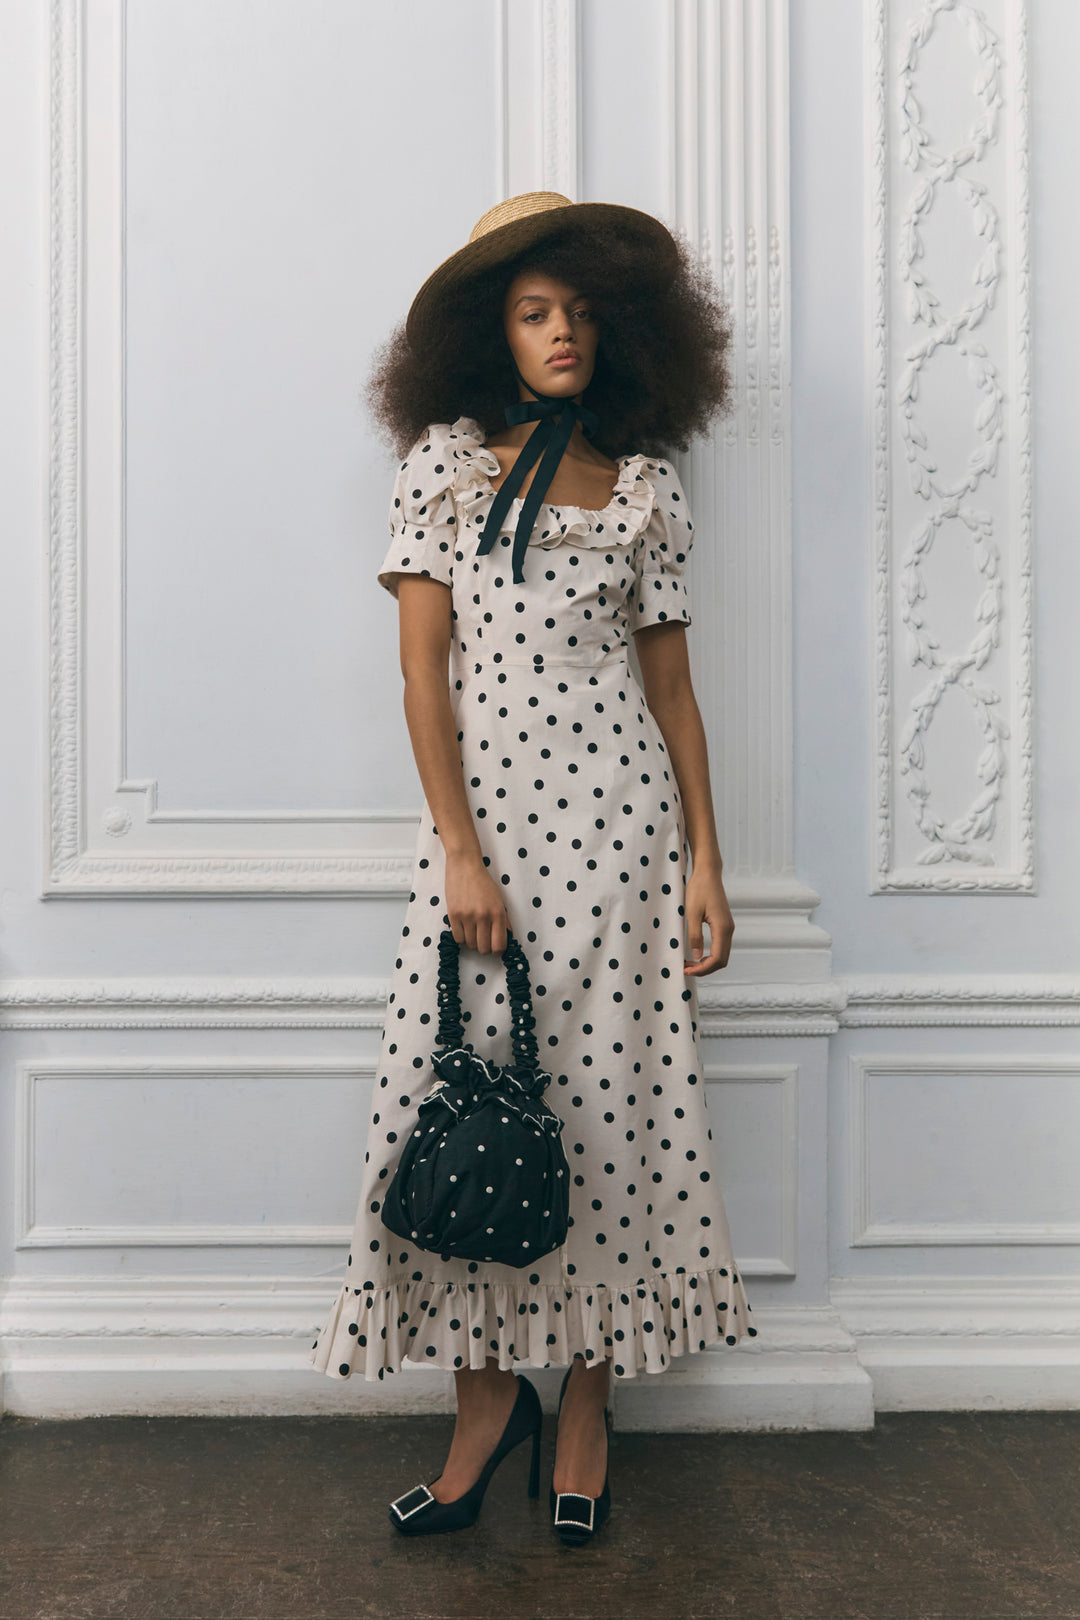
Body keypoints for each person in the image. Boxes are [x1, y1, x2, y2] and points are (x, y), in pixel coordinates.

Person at [310, 191, 757, 1544]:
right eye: (532, 312)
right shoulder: (444, 470)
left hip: (624, 849)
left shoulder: (644, 489)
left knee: (614, 1120)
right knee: (456, 1108)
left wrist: (707, 865)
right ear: (490, 333)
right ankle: (483, 1404)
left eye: (580, 313)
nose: (561, 334)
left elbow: (672, 695)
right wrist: (458, 849)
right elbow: (421, 675)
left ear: (620, 329)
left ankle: (585, 1408)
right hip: (490, 844)